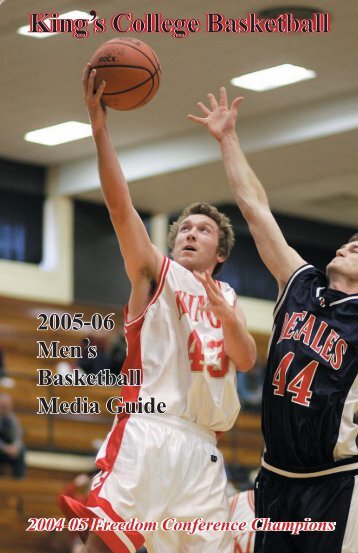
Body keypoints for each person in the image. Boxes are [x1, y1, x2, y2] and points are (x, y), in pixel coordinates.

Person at [60, 67, 257, 553]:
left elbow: (248, 359)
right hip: (149, 428)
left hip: (204, 448)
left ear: (221, 251)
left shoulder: (228, 298)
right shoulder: (155, 272)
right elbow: (121, 209)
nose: (190, 233)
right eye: (184, 228)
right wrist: (99, 127)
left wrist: (229, 319)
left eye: (203, 230)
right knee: (105, 545)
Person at [189, 87, 358, 553]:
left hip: (334, 483)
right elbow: (255, 209)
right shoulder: (300, 284)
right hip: (275, 478)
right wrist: (227, 140)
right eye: (347, 242)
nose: (346, 246)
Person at [0, 392, 26, 478]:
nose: (5, 409)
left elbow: (17, 436)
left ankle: (19, 482)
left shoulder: (12, 418)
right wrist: (5, 448)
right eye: (3, 406)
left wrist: (15, 447)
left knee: (21, 450)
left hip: (8, 449)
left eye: (8, 406)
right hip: (2, 448)